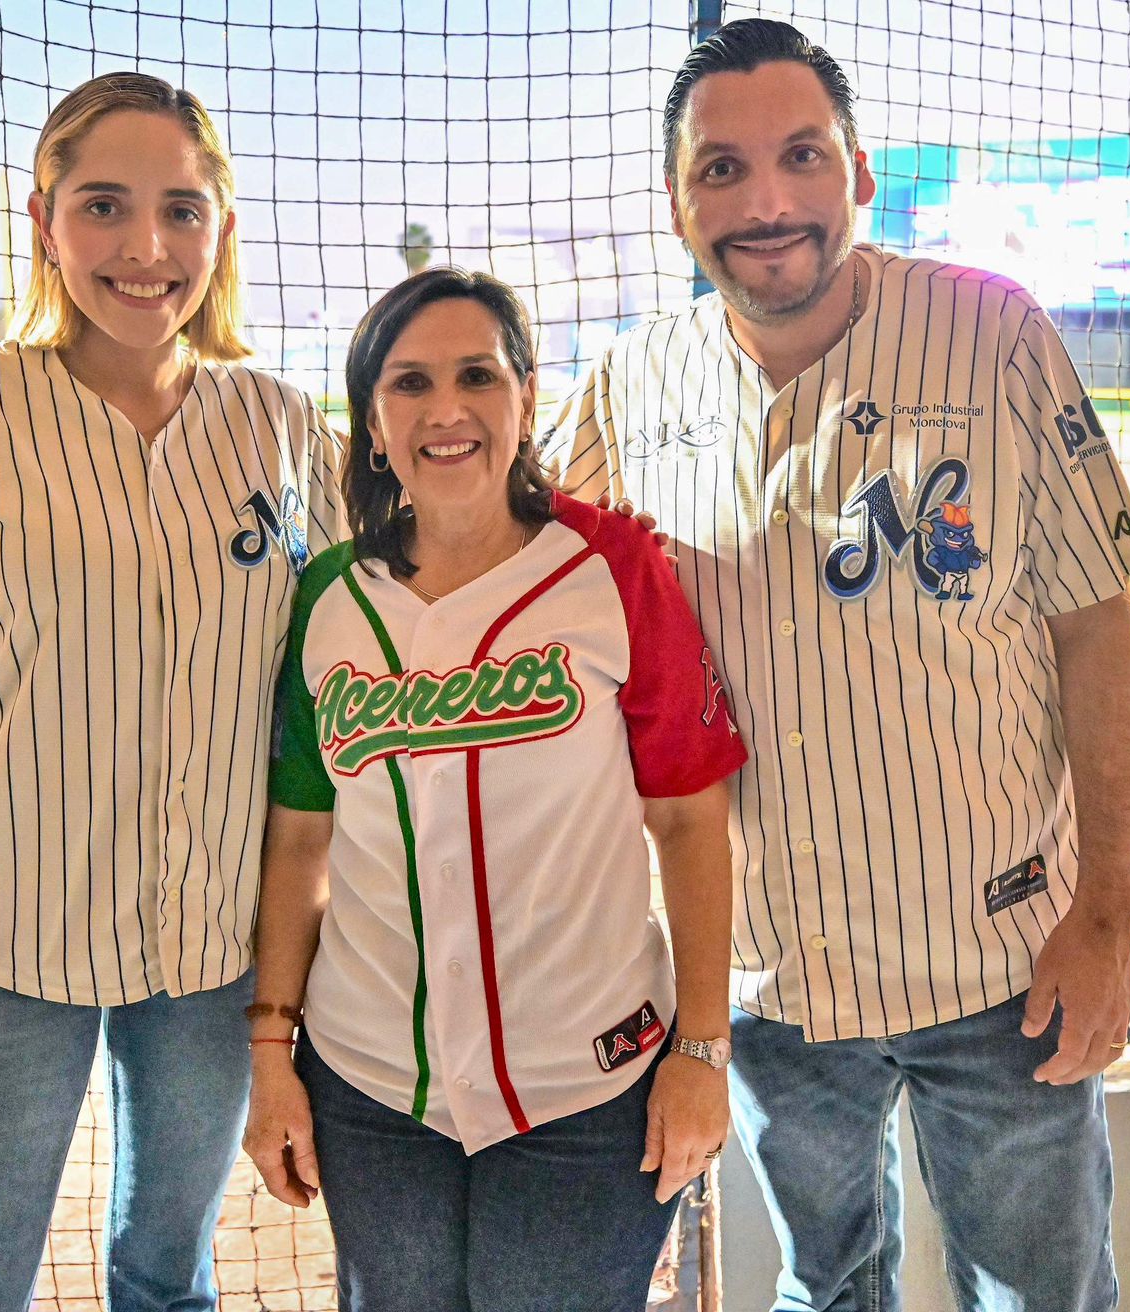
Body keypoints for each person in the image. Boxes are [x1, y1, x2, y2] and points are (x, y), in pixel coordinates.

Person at [548, 19, 1130, 1312]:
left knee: (1043, 1297)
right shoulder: (629, 383)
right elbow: (514, 578)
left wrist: (1106, 912)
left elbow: (1094, 626)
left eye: (802, 156)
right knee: (825, 1292)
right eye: (721, 169)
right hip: (776, 978)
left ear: (859, 173)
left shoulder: (991, 333)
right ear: (676, 201)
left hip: (1000, 962)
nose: (765, 201)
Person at [0, 72, 342, 1311]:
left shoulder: (282, 424)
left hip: (215, 952)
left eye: (181, 210)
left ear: (221, 229)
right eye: (103, 206)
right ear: (43, 221)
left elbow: (359, 667)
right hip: (2, 946)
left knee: (168, 1282)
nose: (145, 248)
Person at [242, 267, 746, 1312]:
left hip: (589, 1079)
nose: (447, 410)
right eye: (410, 383)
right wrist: (271, 1054)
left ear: (525, 393)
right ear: (372, 421)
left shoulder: (611, 566)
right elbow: (298, 841)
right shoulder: (329, 596)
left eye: (477, 375)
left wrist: (702, 1049)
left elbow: (690, 818)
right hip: (370, 1082)